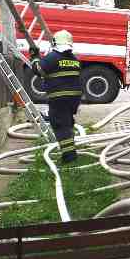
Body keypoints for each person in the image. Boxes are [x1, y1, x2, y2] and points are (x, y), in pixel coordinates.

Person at [30, 30, 83, 164]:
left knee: (60, 125)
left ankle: (69, 157)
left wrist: (34, 57)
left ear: (55, 43)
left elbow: (38, 70)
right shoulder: (75, 60)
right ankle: (70, 152)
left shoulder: (52, 57)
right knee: (67, 123)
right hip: (74, 99)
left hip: (59, 98)